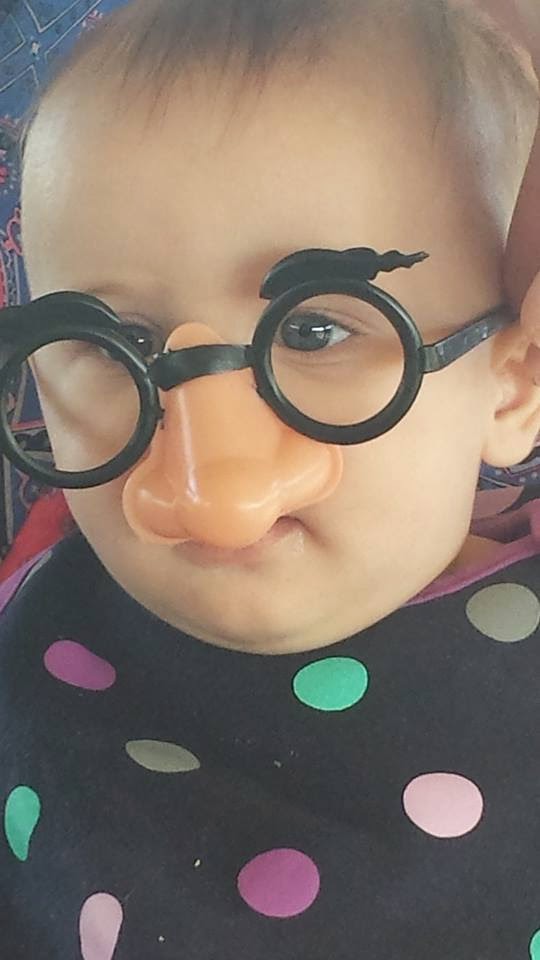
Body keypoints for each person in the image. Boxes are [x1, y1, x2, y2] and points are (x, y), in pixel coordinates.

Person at [1, 0, 540, 956]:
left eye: (315, 330)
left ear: (514, 382)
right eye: (119, 345)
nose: (211, 489)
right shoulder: (39, 619)